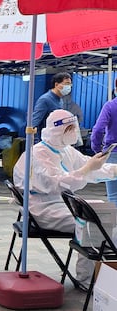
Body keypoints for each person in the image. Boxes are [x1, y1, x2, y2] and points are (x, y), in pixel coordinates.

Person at [14, 109, 117, 288]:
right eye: (70, 129)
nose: (75, 133)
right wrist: (88, 169)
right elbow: (58, 183)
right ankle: (87, 280)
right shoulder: (38, 154)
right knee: (93, 225)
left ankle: (100, 274)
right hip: (43, 209)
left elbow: (89, 167)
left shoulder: (65, 150)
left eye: (74, 128)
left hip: (61, 203)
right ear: (57, 131)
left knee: (105, 217)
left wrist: (112, 169)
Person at [91, 97, 117, 207]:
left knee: (114, 196)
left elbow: (98, 130)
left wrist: (97, 149)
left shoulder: (110, 106)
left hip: (113, 153)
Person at [32, 72, 72, 142]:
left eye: (70, 84)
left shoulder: (60, 100)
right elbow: (34, 123)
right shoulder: (45, 100)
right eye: (66, 84)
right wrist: (37, 143)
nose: (69, 87)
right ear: (56, 84)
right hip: (44, 142)